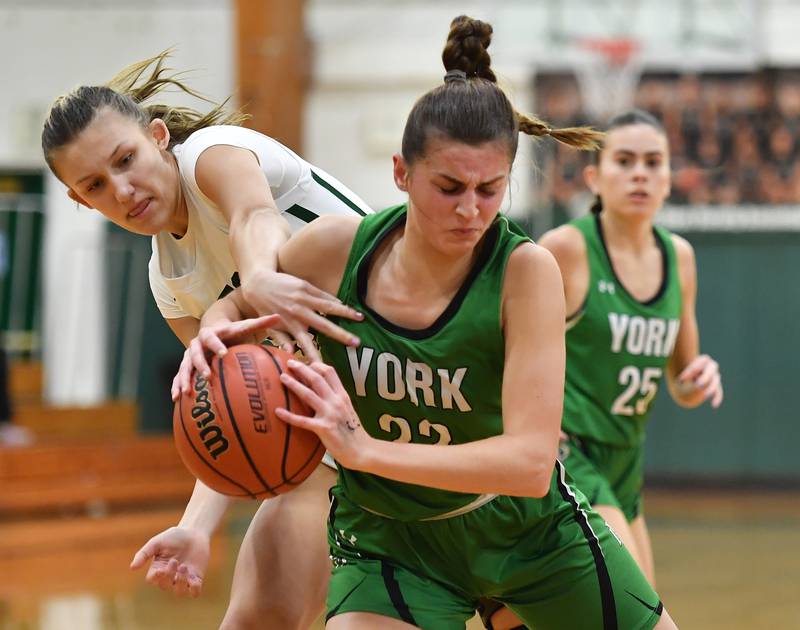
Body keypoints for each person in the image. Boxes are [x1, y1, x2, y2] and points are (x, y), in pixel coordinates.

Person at [181, 16, 678, 629]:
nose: (470, 209)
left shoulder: (526, 273)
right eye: (448, 186)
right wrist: (215, 326)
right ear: (401, 172)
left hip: (525, 533)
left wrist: (364, 450)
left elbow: (527, 462)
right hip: (391, 542)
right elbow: (238, 306)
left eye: (490, 189)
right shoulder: (336, 250)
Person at [41, 52, 373, 629]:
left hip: (428, 381)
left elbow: (252, 216)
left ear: (158, 136)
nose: (122, 189)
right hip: (334, 435)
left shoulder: (211, 155)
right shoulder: (166, 281)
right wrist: (196, 528)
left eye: (127, 159)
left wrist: (258, 280)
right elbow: (227, 404)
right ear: (80, 200)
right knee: (253, 618)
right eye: (96, 184)